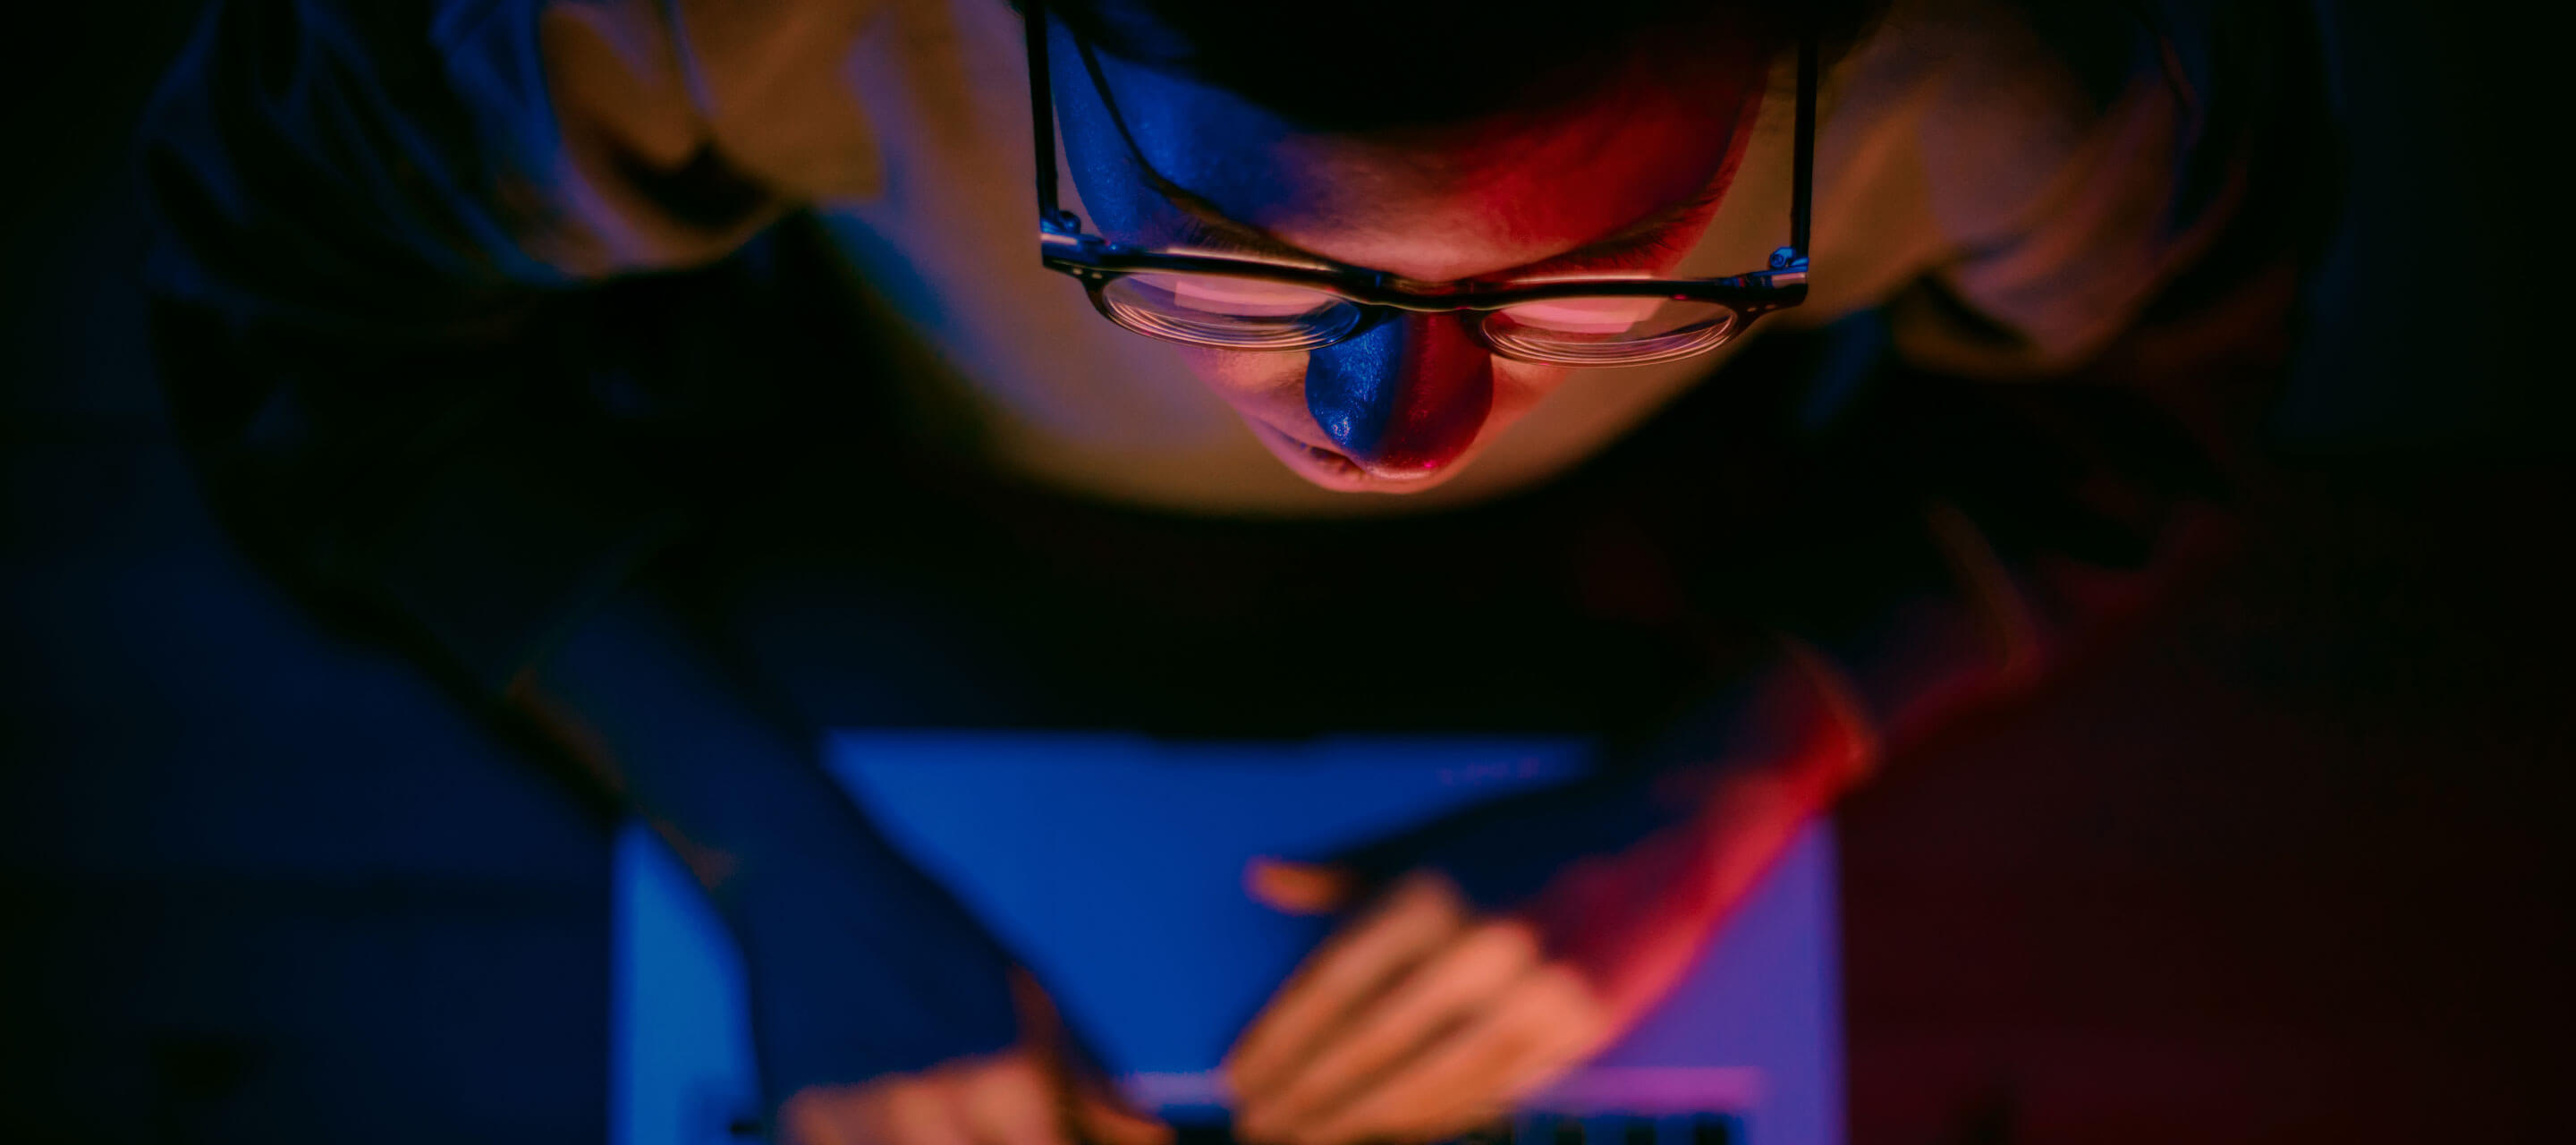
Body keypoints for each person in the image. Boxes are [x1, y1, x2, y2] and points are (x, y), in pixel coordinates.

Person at [139, 1, 2332, 1143]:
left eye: (1604, 276)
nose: (1399, 440)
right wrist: (768, 848)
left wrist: (1744, 764)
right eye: (1229, 263)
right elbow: (297, 330)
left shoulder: (2051, 85)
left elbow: (2138, 405)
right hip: (842, 511)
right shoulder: (647, 20)